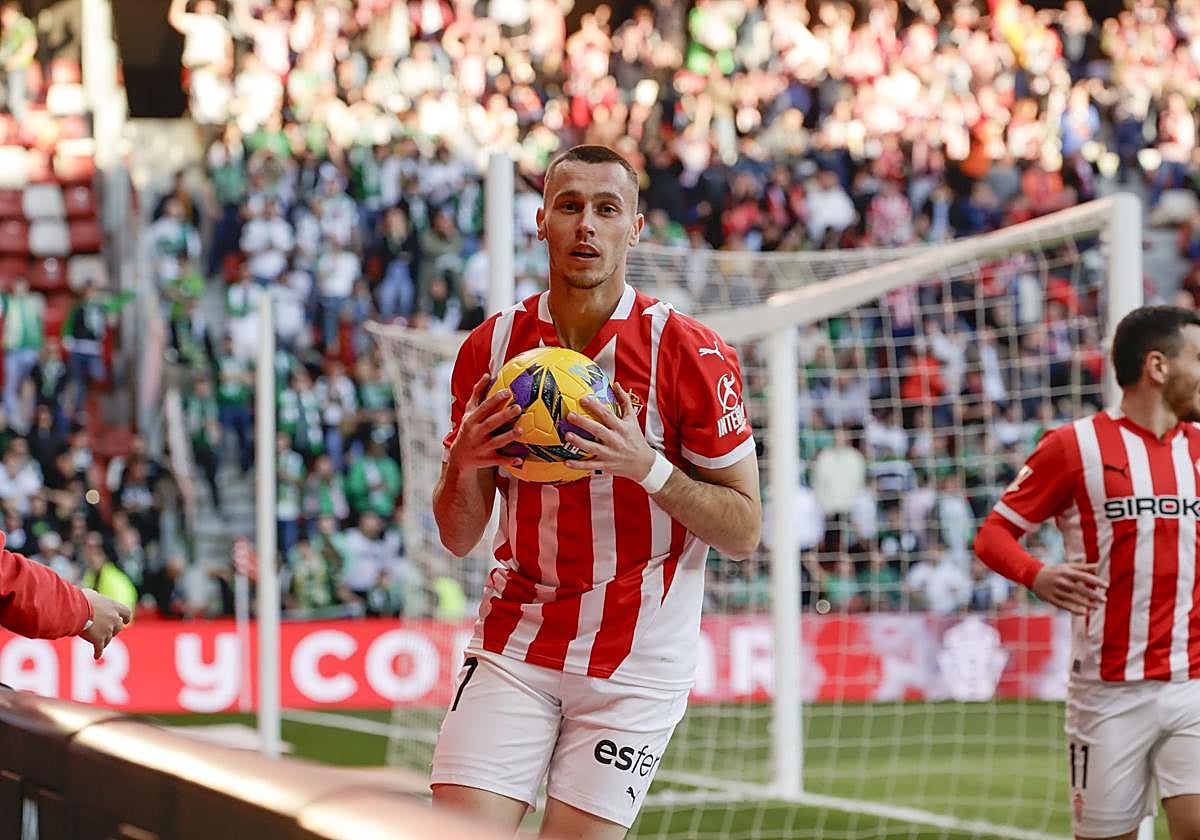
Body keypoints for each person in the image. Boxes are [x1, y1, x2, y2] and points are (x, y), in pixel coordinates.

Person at [430, 145, 761, 838]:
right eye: (570, 206)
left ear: (634, 228)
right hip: (515, 640)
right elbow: (459, 535)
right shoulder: (491, 352)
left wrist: (648, 466)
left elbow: (742, 531)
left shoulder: (690, 354)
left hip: (635, 663)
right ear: (541, 222)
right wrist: (463, 460)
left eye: (607, 209)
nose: (587, 225)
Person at [974, 305, 1200, 840]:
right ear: (1158, 366)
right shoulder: (1074, 446)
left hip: (1192, 680)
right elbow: (992, 535)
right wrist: (1037, 575)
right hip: (1107, 693)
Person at [0, 530, 131, 659]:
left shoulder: (114, 580)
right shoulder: (90, 575)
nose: (90, 554)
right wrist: (85, 610)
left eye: (96, 552)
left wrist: (85, 610)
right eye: (88, 549)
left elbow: (119, 619)